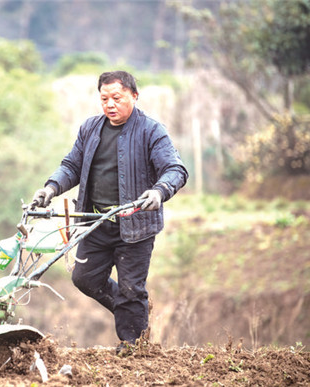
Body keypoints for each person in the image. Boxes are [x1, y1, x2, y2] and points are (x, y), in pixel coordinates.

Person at [32, 70, 188, 354]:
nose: (110, 104)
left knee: (131, 288)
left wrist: (159, 191)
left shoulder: (151, 131)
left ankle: (133, 345)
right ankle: (134, 310)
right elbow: (72, 166)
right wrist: (51, 187)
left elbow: (175, 169)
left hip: (136, 226)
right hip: (96, 223)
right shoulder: (90, 129)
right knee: (84, 279)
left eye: (117, 98)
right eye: (104, 98)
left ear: (134, 96)